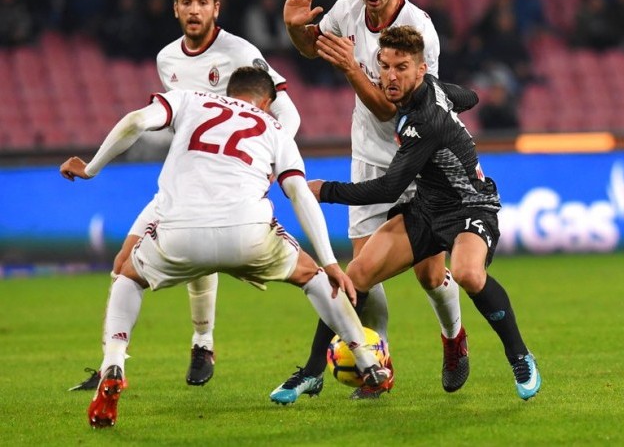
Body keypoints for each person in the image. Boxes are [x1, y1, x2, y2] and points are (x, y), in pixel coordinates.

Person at [60, 67, 391, 428]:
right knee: (313, 277)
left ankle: (114, 364)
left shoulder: (189, 98)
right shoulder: (275, 128)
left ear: (229, 91)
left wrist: (91, 168)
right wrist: (329, 263)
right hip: (247, 233)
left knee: (126, 274)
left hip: (180, 231)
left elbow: (137, 121)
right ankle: (369, 364)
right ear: (267, 102)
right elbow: (297, 193)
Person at [70, 0, 301, 391]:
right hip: (185, 178)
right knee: (124, 264)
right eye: (186, 2)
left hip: (231, 182)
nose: (194, 10)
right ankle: (113, 365)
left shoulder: (240, 52)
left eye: (203, 2)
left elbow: (286, 111)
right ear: (175, 8)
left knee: (188, 257)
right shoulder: (167, 59)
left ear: (217, 7)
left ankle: (201, 343)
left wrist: (270, 158)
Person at [272, 0, 468, 402]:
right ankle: (376, 365)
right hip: (367, 160)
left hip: (419, 166)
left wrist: (352, 71)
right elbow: (310, 49)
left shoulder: (419, 30)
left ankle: (454, 337)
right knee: (362, 275)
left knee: (428, 276)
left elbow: (391, 110)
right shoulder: (346, 10)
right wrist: (297, 28)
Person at [307, 26, 541, 400]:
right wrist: (451, 108)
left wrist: (324, 190)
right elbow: (472, 96)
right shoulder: (430, 88)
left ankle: (520, 356)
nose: (391, 76)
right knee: (359, 273)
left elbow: (387, 189)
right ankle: (311, 371)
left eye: (401, 67)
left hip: (469, 206)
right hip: (427, 208)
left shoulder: (423, 121)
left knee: (466, 272)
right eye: (385, 66)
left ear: (420, 70)